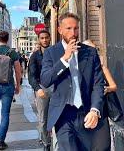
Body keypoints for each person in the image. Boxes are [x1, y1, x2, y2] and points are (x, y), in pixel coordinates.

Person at [40, 12, 105, 151]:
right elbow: (45, 80)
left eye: (76, 28)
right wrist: (64, 59)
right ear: (60, 30)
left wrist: (95, 109)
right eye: (69, 28)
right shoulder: (51, 52)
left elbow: (98, 83)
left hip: (86, 113)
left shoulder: (90, 52)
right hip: (63, 114)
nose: (73, 32)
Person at [83, 39, 114, 151]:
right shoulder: (77, 69)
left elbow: (113, 86)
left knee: (102, 144)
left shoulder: (102, 67)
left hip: (101, 109)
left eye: (93, 49)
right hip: (83, 111)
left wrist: (105, 89)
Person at [28, 30, 52, 151]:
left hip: (57, 88)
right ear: (39, 40)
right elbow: (31, 76)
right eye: (42, 38)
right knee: (43, 119)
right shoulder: (35, 56)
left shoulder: (56, 53)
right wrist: (37, 89)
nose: (44, 40)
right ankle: (46, 143)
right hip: (42, 88)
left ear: (50, 38)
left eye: (46, 38)